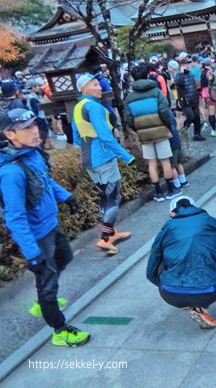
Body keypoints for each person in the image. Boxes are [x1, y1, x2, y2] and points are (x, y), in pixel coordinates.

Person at [0, 108, 89, 347]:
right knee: (47, 280)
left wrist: (67, 197)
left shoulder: (33, 154)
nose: (35, 131)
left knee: (65, 257)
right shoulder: (10, 172)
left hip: (51, 224)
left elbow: (45, 182)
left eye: (34, 125)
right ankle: (59, 330)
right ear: (10, 135)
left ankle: (43, 299)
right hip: (37, 235)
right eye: (26, 128)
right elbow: (15, 217)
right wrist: (32, 255)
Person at [146, 196, 216, 329]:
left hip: (170, 293)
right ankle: (200, 304)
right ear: (195, 207)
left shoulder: (168, 227)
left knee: (162, 260)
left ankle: (191, 301)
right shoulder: (211, 221)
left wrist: (162, 284)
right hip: (208, 292)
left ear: (172, 213)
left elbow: (152, 267)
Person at [72, 74, 133, 255]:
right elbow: (106, 135)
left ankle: (112, 233)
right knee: (113, 198)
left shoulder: (78, 107)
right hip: (103, 158)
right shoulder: (93, 107)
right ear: (84, 88)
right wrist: (126, 156)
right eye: (96, 85)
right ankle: (105, 239)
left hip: (89, 159)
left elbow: (75, 136)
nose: (100, 88)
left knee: (106, 198)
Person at [124, 65, 181, 202]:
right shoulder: (156, 92)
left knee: (151, 163)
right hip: (161, 131)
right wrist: (167, 126)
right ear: (147, 75)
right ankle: (171, 189)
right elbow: (165, 112)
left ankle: (158, 192)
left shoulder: (130, 98)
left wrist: (138, 129)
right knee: (165, 160)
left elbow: (129, 119)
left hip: (144, 135)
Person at [175, 56, 205, 141]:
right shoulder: (179, 75)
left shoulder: (190, 73)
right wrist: (181, 72)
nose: (188, 65)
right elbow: (177, 83)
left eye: (188, 63)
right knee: (191, 116)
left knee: (197, 118)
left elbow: (194, 84)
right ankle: (183, 130)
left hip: (193, 99)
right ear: (182, 65)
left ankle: (197, 134)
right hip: (185, 101)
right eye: (186, 64)